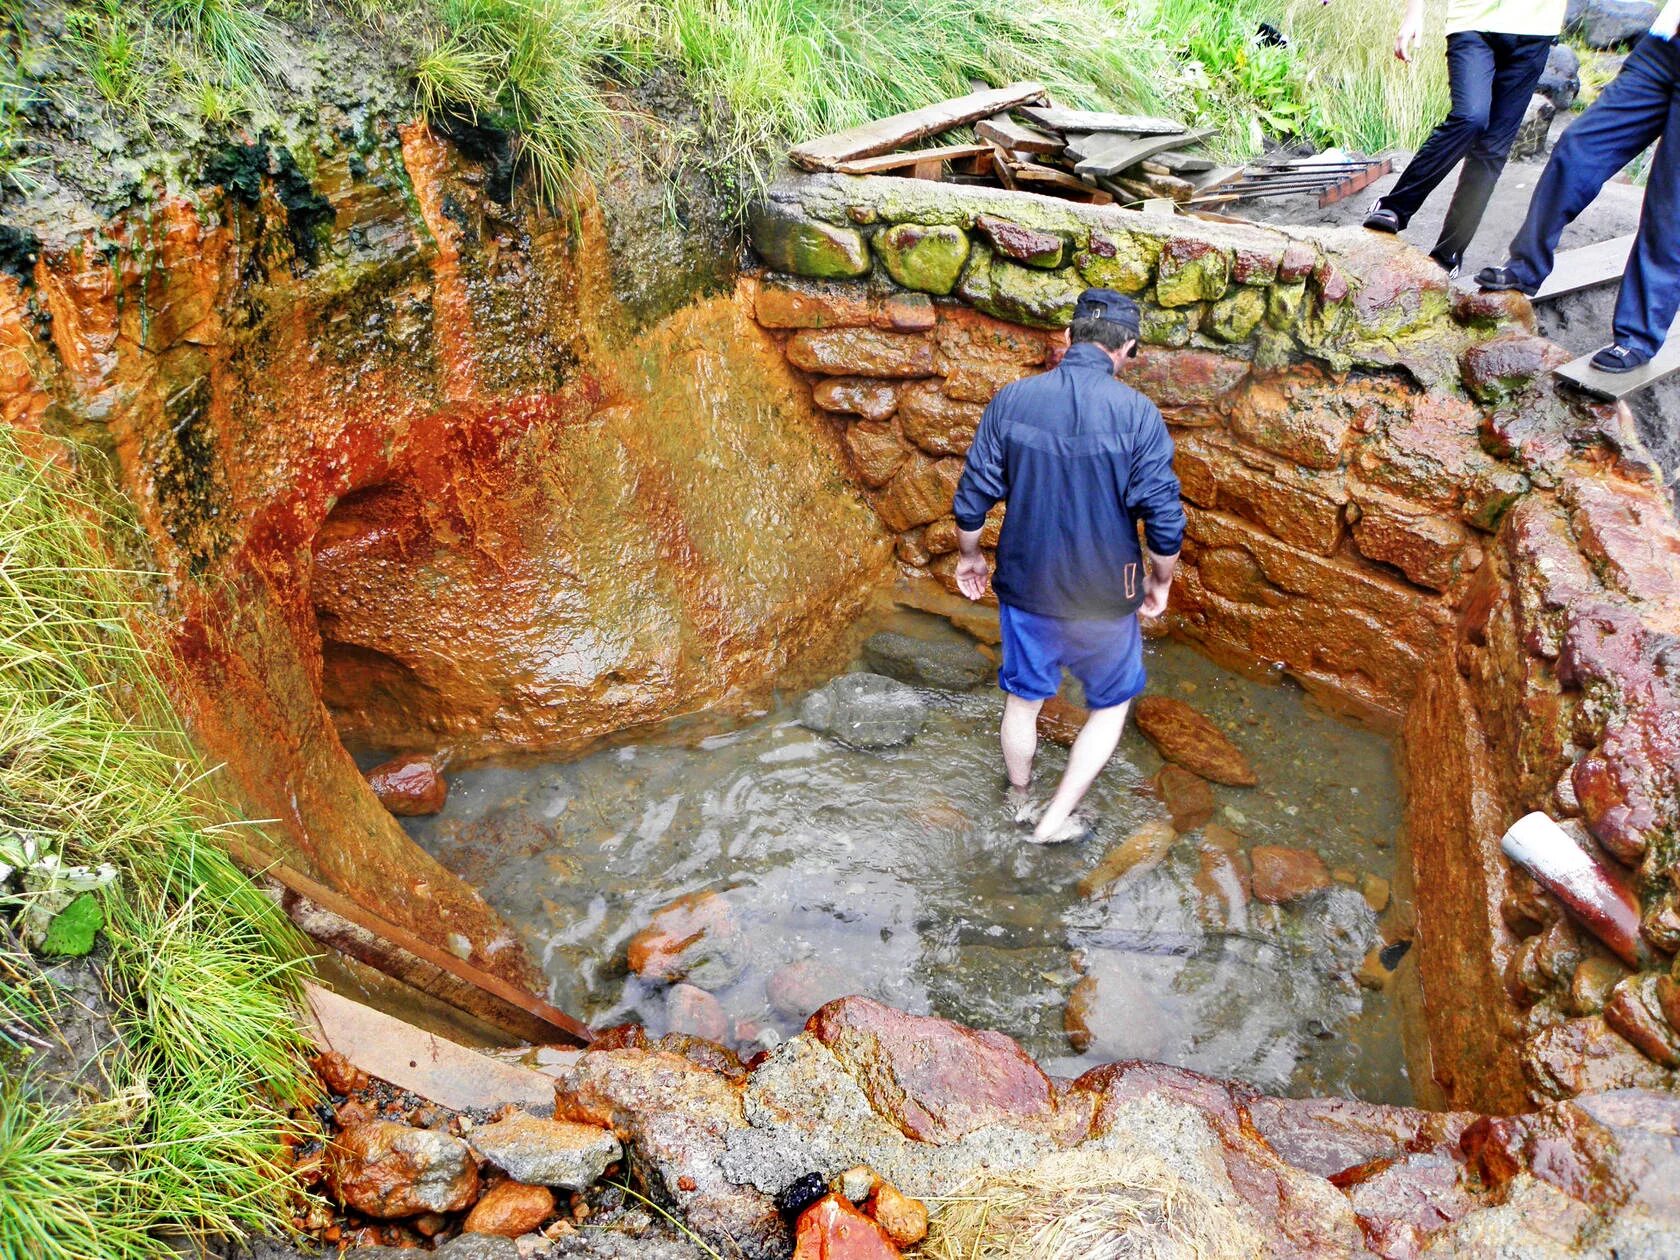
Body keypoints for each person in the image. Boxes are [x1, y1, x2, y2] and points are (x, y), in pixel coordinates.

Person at [951, 289, 1184, 845]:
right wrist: (1160, 581)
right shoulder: (1138, 414)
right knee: (1110, 706)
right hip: (1106, 594)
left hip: (1027, 585)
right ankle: (1053, 821)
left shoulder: (1012, 400)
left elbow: (972, 497)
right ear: (1125, 348)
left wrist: (969, 555)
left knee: (1024, 699)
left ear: (1067, 337)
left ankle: (1018, 798)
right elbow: (1164, 519)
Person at [1476, 1, 1679, 373]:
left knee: (1670, 207)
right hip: (1664, 47)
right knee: (1578, 150)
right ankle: (1525, 267)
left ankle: (1636, 338)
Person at [1362, 0, 1566, 277]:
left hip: (1535, 33)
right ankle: (1395, 208)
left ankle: (1449, 251)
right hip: (1473, 22)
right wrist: (1413, 14)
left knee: (1493, 149)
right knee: (1470, 118)